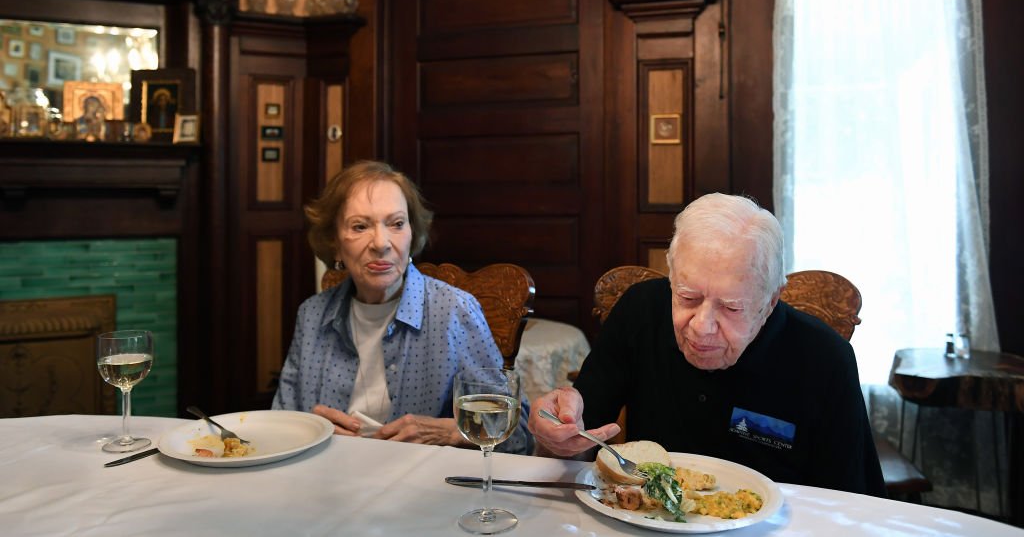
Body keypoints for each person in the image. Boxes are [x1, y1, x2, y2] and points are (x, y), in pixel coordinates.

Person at [528, 193, 885, 497]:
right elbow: (578, 442)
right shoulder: (640, 311)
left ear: (770, 302)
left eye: (731, 308)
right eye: (687, 297)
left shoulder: (824, 358)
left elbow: (850, 501)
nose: (701, 327)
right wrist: (556, 433)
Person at [273, 160, 532, 454]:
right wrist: (311, 431)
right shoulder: (312, 315)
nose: (381, 243)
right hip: (328, 482)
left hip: (424, 487)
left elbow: (519, 434)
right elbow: (280, 422)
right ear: (334, 242)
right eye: (360, 226)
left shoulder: (454, 311)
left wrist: (451, 431)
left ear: (412, 233)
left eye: (396, 224)